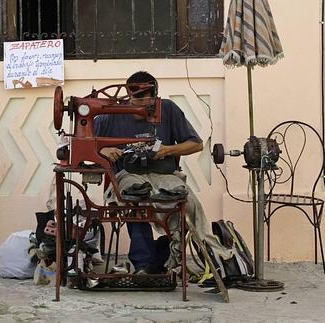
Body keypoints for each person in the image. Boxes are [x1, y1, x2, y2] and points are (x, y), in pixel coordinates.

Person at [94, 71, 227, 274]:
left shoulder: (167, 109)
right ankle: (143, 264)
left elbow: (196, 144)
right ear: (129, 95)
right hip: (128, 174)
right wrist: (103, 150)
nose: (146, 105)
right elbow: (84, 144)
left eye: (151, 100)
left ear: (156, 95)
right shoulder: (111, 114)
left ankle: (199, 256)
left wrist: (168, 150)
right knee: (135, 197)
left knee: (186, 202)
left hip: (164, 174)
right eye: (140, 99)